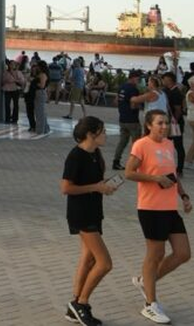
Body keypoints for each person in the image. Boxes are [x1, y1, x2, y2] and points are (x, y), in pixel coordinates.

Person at [125, 110, 193, 324]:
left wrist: (184, 195)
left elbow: (173, 175)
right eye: (160, 123)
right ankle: (150, 304)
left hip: (170, 207)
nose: (164, 127)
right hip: (150, 208)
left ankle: (146, 281)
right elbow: (128, 173)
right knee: (155, 254)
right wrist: (154, 178)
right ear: (149, 125)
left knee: (183, 253)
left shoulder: (169, 145)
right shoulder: (141, 145)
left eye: (166, 123)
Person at [61, 116, 116, 326]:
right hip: (81, 213)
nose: (105, 135)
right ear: (91, 134)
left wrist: (104, 187)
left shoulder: (95, 154)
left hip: (94, 211)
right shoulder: (76, 156)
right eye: (102, 131)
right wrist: (96, 187)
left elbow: (94, 183)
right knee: (104, 263)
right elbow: (66, 188)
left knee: (88, 259)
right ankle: (82, 303)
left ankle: (74, 304)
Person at [112, 69, 144, 170]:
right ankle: (133, 165)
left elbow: (116, 102)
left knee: (122, 142)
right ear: (134, 78)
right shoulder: (133, 89)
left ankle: (116, 161)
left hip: (122, 119)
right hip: (132, 120)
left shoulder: (122, 87)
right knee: (136, 144)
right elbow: (134, 105)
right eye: (138, 79)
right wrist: (141, 106)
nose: (139, 81)